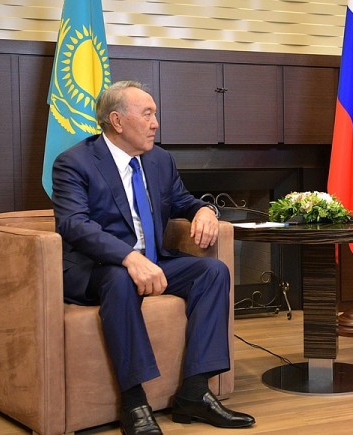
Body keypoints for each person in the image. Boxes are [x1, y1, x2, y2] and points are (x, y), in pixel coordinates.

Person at [52, 80, 255, 434]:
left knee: (213, 272)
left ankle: (195, 392)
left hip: (154, 261)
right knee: (120, 278)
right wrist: (127, 258)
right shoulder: (75, 162)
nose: (155, 123)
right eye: (147, 114)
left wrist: (205, 211)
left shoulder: (159, 160)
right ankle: (134, 403)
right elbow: (73, 224)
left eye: (155, 114)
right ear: (117, 121)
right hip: (97, 269)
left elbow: (183, 201)